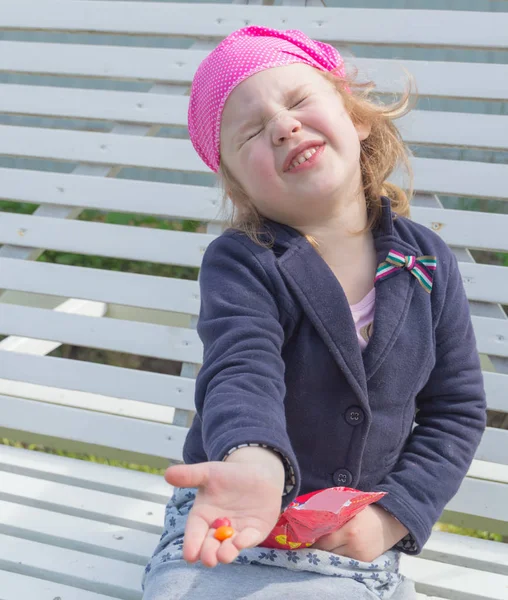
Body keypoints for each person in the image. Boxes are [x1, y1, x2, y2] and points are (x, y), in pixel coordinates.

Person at [141, 26, 486, 600]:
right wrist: (252, 460)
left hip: (349, 538)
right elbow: (241, 367)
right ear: (240, 185)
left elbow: (456, 408)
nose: (282, 125)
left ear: (357, 116)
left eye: (299, 100)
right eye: (251, 131)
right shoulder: (244, 262)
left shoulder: (426, 261)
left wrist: (395, 516)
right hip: (228, 524)